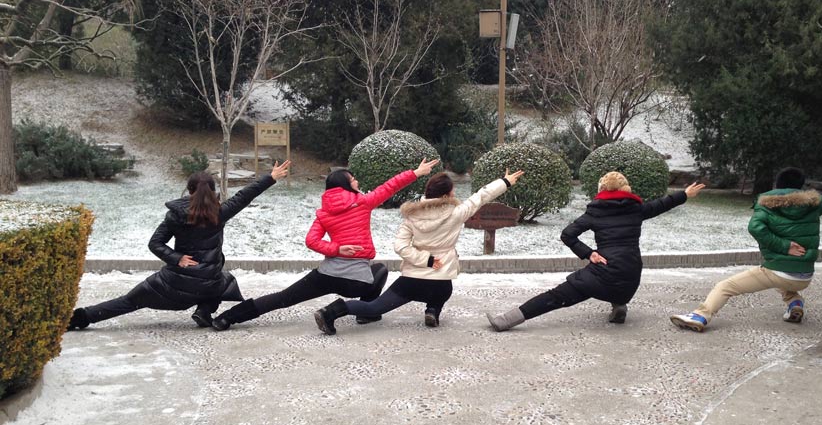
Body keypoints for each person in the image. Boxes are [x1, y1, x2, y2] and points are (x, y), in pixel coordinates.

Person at [210, 157, 440, 330]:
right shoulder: (363, 202)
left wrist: (336, 249)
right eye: (353, 179)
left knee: (282, 298)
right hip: (355, 282)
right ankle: (366, 312)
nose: (357, 181)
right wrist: (417, 172)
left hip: (325, 274)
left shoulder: (323, 212)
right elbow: (389, 187)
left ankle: (226, 318)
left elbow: (311, 241)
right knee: (379, 270)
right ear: (347, 185)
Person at [68, 161, 292, 331]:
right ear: (212, 191)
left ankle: (81, 318)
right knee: (225, 280)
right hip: (209, 282)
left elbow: (155, 243)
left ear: (189, 189)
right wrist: (270, 177)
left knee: (130, 301)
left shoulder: (175, 215)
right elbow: (244, 196)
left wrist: (177, 259)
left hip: (174, 283)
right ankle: (204, 310)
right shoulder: (220, 212)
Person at [487, 172, 706, 331]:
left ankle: (506, 321)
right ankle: (619, 304)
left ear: (601, 190)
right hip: (631, 277)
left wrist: (588, 253)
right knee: (617, 283)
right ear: (626, 189)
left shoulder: (595, 212)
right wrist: (685, 193)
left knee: (556, 296)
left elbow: (567, 234)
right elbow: (663, 203)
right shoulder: (636, 209)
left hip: (604, 273)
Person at [314, 169, 524, 334]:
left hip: (411, 280)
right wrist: (504, 182)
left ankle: (331, 312)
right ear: (447, 194)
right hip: (440, 280)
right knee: (444, 290)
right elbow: (481, 196)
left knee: (375, 308)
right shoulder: (457, 213)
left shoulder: (411, 216)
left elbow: (401, 247)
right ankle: (433, 310)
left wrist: (425, 260)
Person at [670, 167, 822, 332]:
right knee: (784, 281)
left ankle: (700, 316)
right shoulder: (814, 204)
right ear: (801, 186)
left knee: (725, 286)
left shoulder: (767, 204)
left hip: (777, 270)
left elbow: (755, 228)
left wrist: (784, 246)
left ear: (777, 185)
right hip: (804, 275)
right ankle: (795, 303)